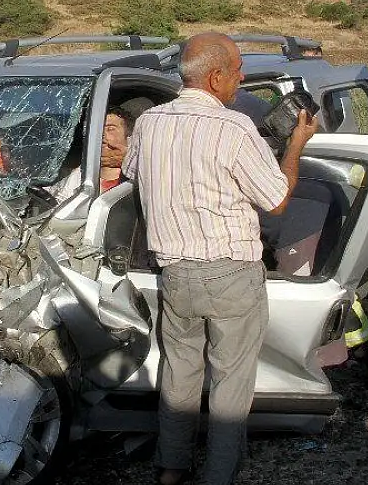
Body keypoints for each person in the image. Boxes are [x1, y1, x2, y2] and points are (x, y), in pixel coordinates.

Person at [123, 32, 317, 485]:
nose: (242, 77)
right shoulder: (233, 127)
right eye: (237, 69)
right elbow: (276, 199)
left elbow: (133, 175)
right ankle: (218, 476)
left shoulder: (149, 122)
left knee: (179, 377)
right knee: (230, 387)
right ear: (215, 77)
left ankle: (171, 469)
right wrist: (296, 144)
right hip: (231, 273)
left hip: (174, 273)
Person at [51, 106, 135, 200]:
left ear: (129, 138)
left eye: (110, 129)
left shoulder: (139, 178)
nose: (101, 133)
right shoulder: (77, 176)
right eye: (97, 130)